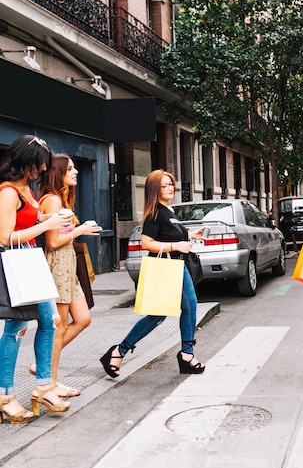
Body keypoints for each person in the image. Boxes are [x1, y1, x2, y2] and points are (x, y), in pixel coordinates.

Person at [99, 169, 206, 378]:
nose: (169, 188)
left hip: (176, 265)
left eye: (171, 184)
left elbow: (167, 235)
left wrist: (189, 235)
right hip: (169, 267)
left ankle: (119, 351)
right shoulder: (155, 213)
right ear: (154, 189)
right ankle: (185, 354)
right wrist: (176, 245)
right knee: (183, 307)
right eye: (164, 185)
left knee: (170, 311)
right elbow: (146, 242)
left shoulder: (168, 211)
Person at [0, 135, 73, 423]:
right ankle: (5, 395)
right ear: (25, 162)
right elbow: (4, 237)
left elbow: (26, 223)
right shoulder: (8, 192)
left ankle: (43, 385)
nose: (42, 169)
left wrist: (49, 219)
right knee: (16, 327)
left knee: (49, 322)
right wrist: (48, 223)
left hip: (31, 262)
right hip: (16, 264)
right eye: (39, 164)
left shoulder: (25, 190)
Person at [38, 153, 102, 397]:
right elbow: (53, 242)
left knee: (83, 318)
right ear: (58, 172)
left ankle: (44, 366)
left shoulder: (61, 199)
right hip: (57, 266)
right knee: (59, 326)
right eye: (70, 168)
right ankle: (51, 381)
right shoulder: (52, 201)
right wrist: (80, 231)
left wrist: (78, 229)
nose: (75, 172)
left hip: (68, 267)